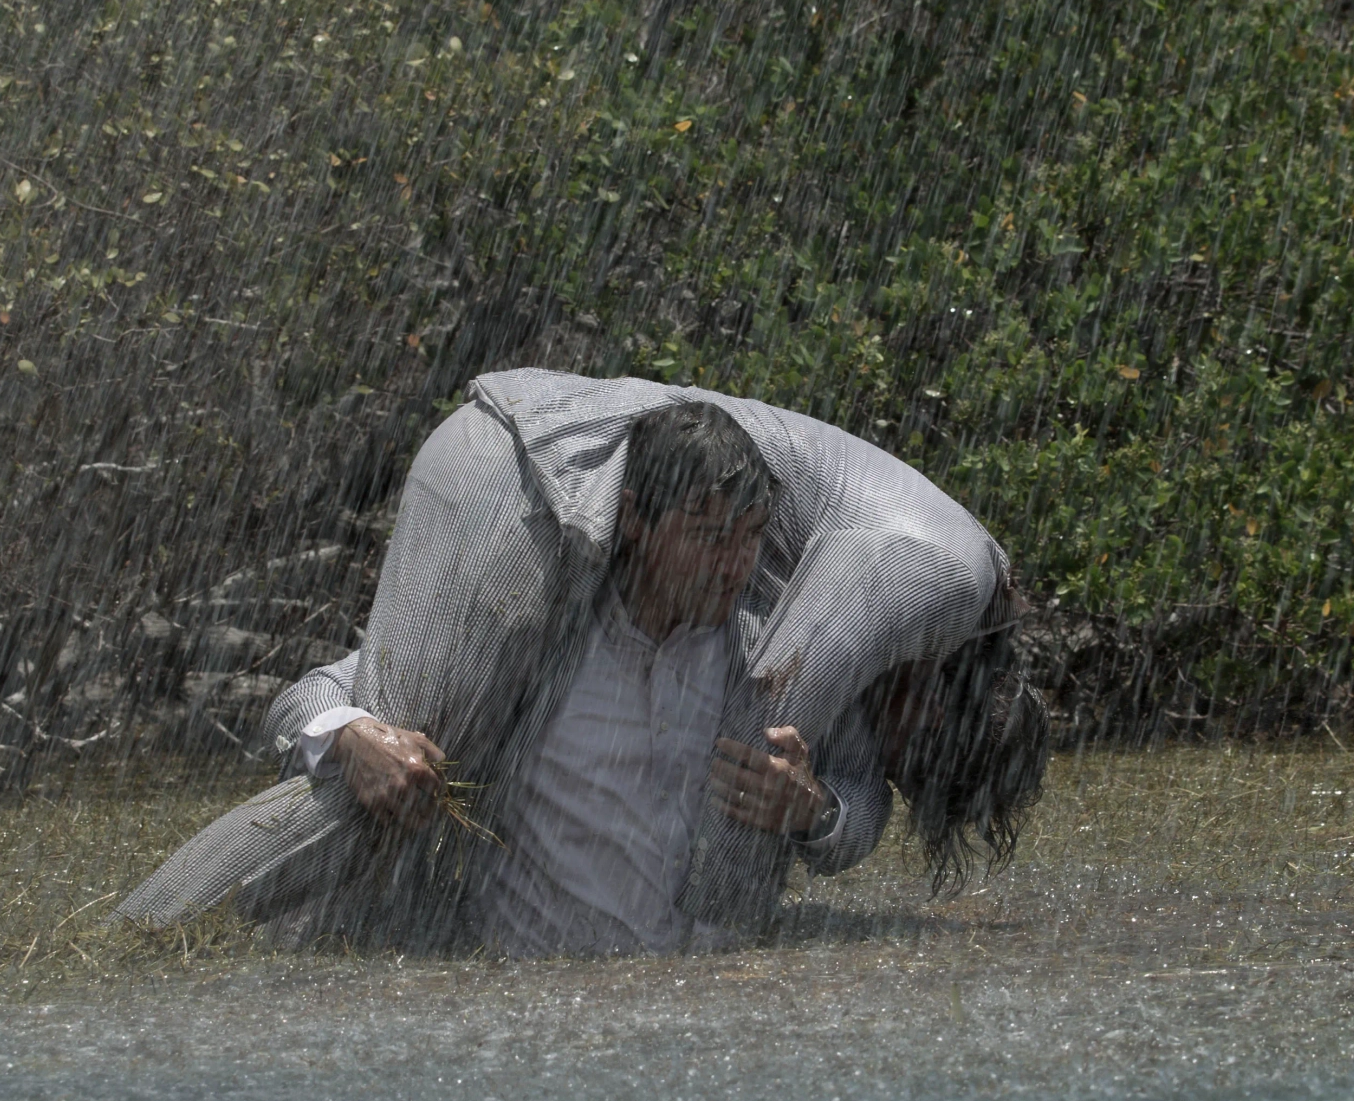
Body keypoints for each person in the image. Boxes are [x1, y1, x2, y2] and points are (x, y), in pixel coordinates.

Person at [116, 369, 1046, 953]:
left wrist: (814, 816)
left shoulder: (769, 635)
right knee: (394, 768)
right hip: (514, 462)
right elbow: (307, 699)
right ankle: (135, 941)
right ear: (635, 522)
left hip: (639, 1032)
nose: (735, 564)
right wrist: (353, 735)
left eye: (749, 541)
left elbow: (844, 794)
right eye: (710, 538)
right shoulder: (543, 639)